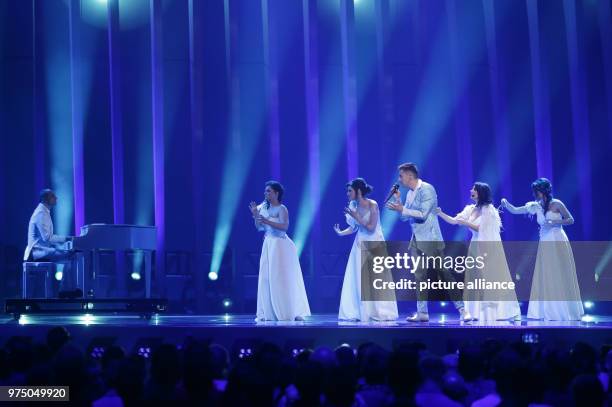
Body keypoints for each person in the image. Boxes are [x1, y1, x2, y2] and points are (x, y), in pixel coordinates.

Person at [386, 163, 470, 322]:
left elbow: (423, 214)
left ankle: (462, 309)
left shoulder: (427, 189)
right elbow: (405, 217)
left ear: (410, 175)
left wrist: (402, 210)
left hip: (431, 239)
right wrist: (400, 203)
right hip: (416, 240)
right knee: (419, 277)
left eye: (401, 176)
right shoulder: (410, 193)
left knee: (444, 274)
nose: (399, 179)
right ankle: (422, 313)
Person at [500, 178, 583, 321]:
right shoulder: (535, 206)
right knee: (547, 274)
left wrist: (555, 222)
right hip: (545, 242)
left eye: (537, 191)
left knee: (559, 272)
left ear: (543, 190)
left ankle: (564, 311)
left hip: (557, 240)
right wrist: (506, 204)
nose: (535, 193)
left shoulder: (557, 204)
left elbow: (570, 219)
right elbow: (516, 210)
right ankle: (548, 311)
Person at [437, 182, 521, 321]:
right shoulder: (470, 209)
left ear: (480, 193)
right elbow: (454, 221)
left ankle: (495, 311)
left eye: (474, 189)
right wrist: (440, 213)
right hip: (475, 246)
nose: (471, 190)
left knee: (488, 277)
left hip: (487, 247)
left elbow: (483, 229)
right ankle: (476, 311)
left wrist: (467, 224)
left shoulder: (489, 210)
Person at [334, 178, 398, 321]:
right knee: (359, 277)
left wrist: (356, 216)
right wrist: (341, 233)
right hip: (360, 242)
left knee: (375, 277)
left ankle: (378, 311)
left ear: (358, 191)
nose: (347, 193)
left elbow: (370, 227)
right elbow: (354, 227)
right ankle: (360, 311)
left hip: (374, 243)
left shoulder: (372, 204)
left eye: (350, 190)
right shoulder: (353, 205)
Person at [249, 181, 311, 321]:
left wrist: (267, 221)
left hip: (281, 246)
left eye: (269, 191)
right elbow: (259, 227)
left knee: (281, 278)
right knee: (267, 278)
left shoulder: (282, 208)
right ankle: (269, 312)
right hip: (268, 244)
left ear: (276, 193)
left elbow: (284, 227)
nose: (266, 193)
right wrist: (255, 215)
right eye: (265, 191)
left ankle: (288, 311)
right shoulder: (263, 207)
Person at [23, 189, 76, 292]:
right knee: (71, 256)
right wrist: (67, 238)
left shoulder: (44, 211)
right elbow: (47, 237)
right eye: (53, 196)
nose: (56, 198)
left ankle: (65, 289)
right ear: (45, 199)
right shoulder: (41, 213)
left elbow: (47, 238)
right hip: (36, 252)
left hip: (41, 250)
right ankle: (66, 290)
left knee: (69, 255)